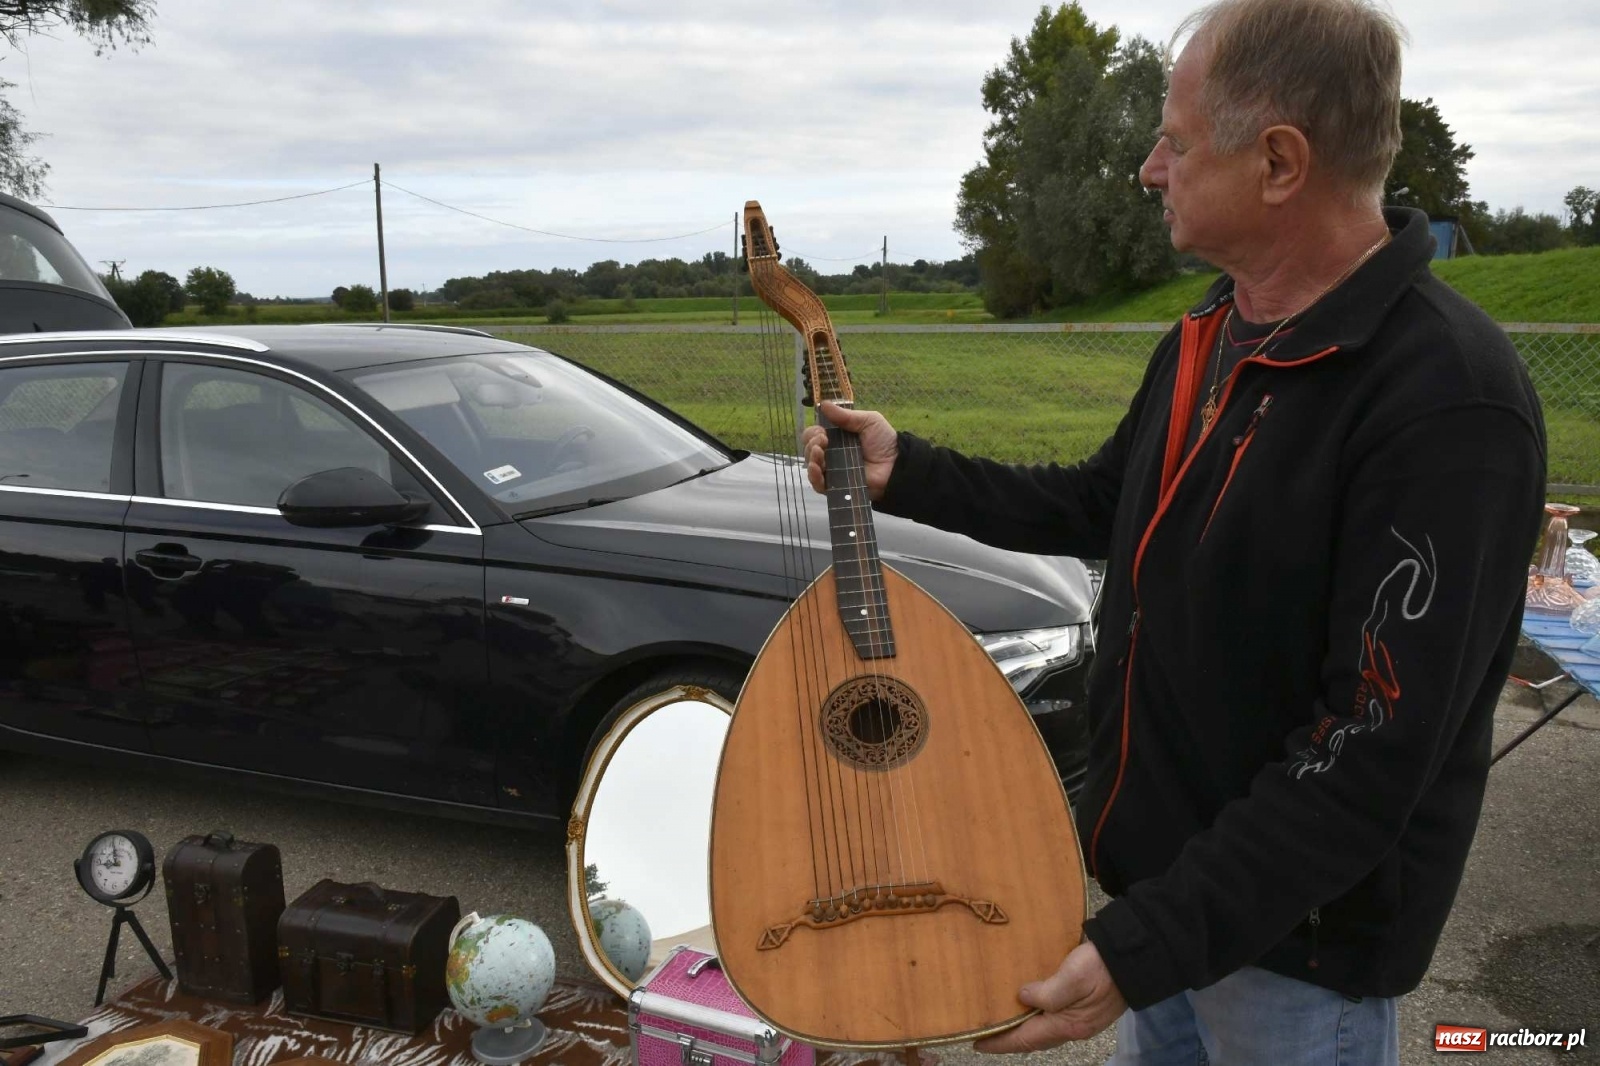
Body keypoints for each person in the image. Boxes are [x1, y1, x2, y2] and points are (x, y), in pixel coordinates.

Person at [801, 1, 1546, 1061]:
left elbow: (1366, 753)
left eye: (1177, 143)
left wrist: (1144, 944)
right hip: (1169, 911)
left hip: (1293, 958)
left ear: (1278, 163)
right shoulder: (1214, 327)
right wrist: (909, 471)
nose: (1151, 170)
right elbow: (1105, 501)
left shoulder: (1443, 400)